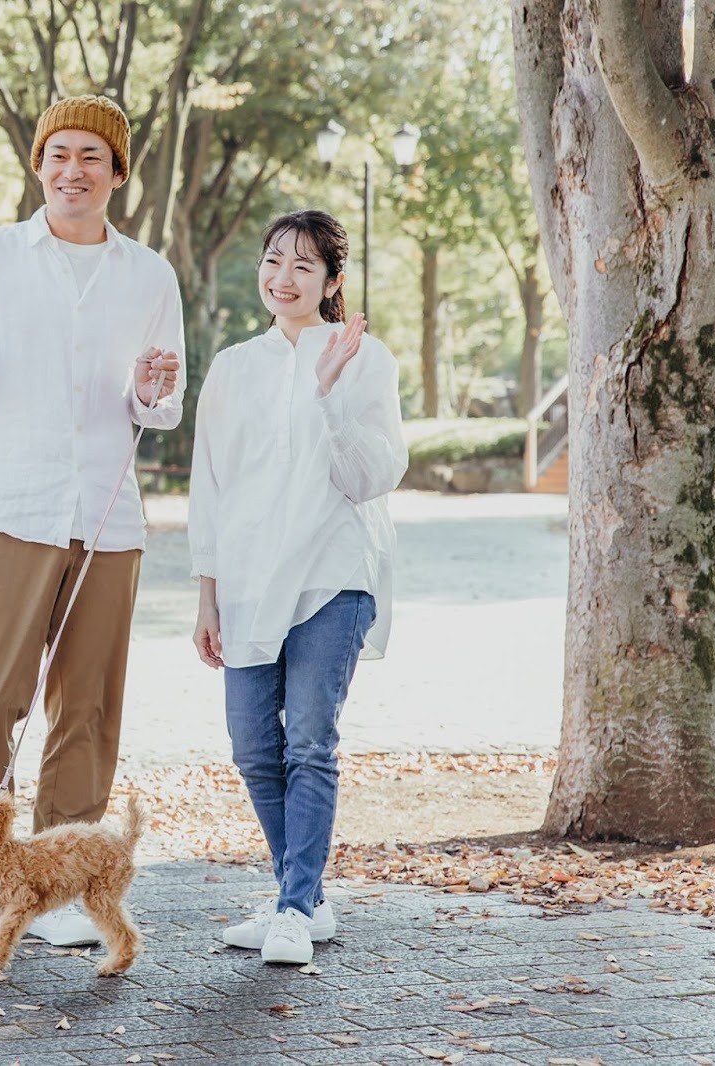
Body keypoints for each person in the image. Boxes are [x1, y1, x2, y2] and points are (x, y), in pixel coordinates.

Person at [0, 95, 185, 948]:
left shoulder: (150, 276)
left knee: (87, 708)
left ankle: (60, 883)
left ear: (117, 173)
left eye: (92, 156)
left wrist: (151, 387)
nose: (73, 169)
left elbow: (160, 409)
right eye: (58, 153)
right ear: (38, 166)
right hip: (11, 510)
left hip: (107, 520)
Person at [187, 209, 407, 966]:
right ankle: (305, 897)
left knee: (310, 742)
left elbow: (373, 476)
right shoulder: (232, 366)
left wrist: (328, 393)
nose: (283, 278)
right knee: (254, 748)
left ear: (333, 281)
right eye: (274, 260)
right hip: (248, 580)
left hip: (332, 574)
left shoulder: (365, 358)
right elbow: (209, 486)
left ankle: (291, 907)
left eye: (304, 266)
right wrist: (207, 594)